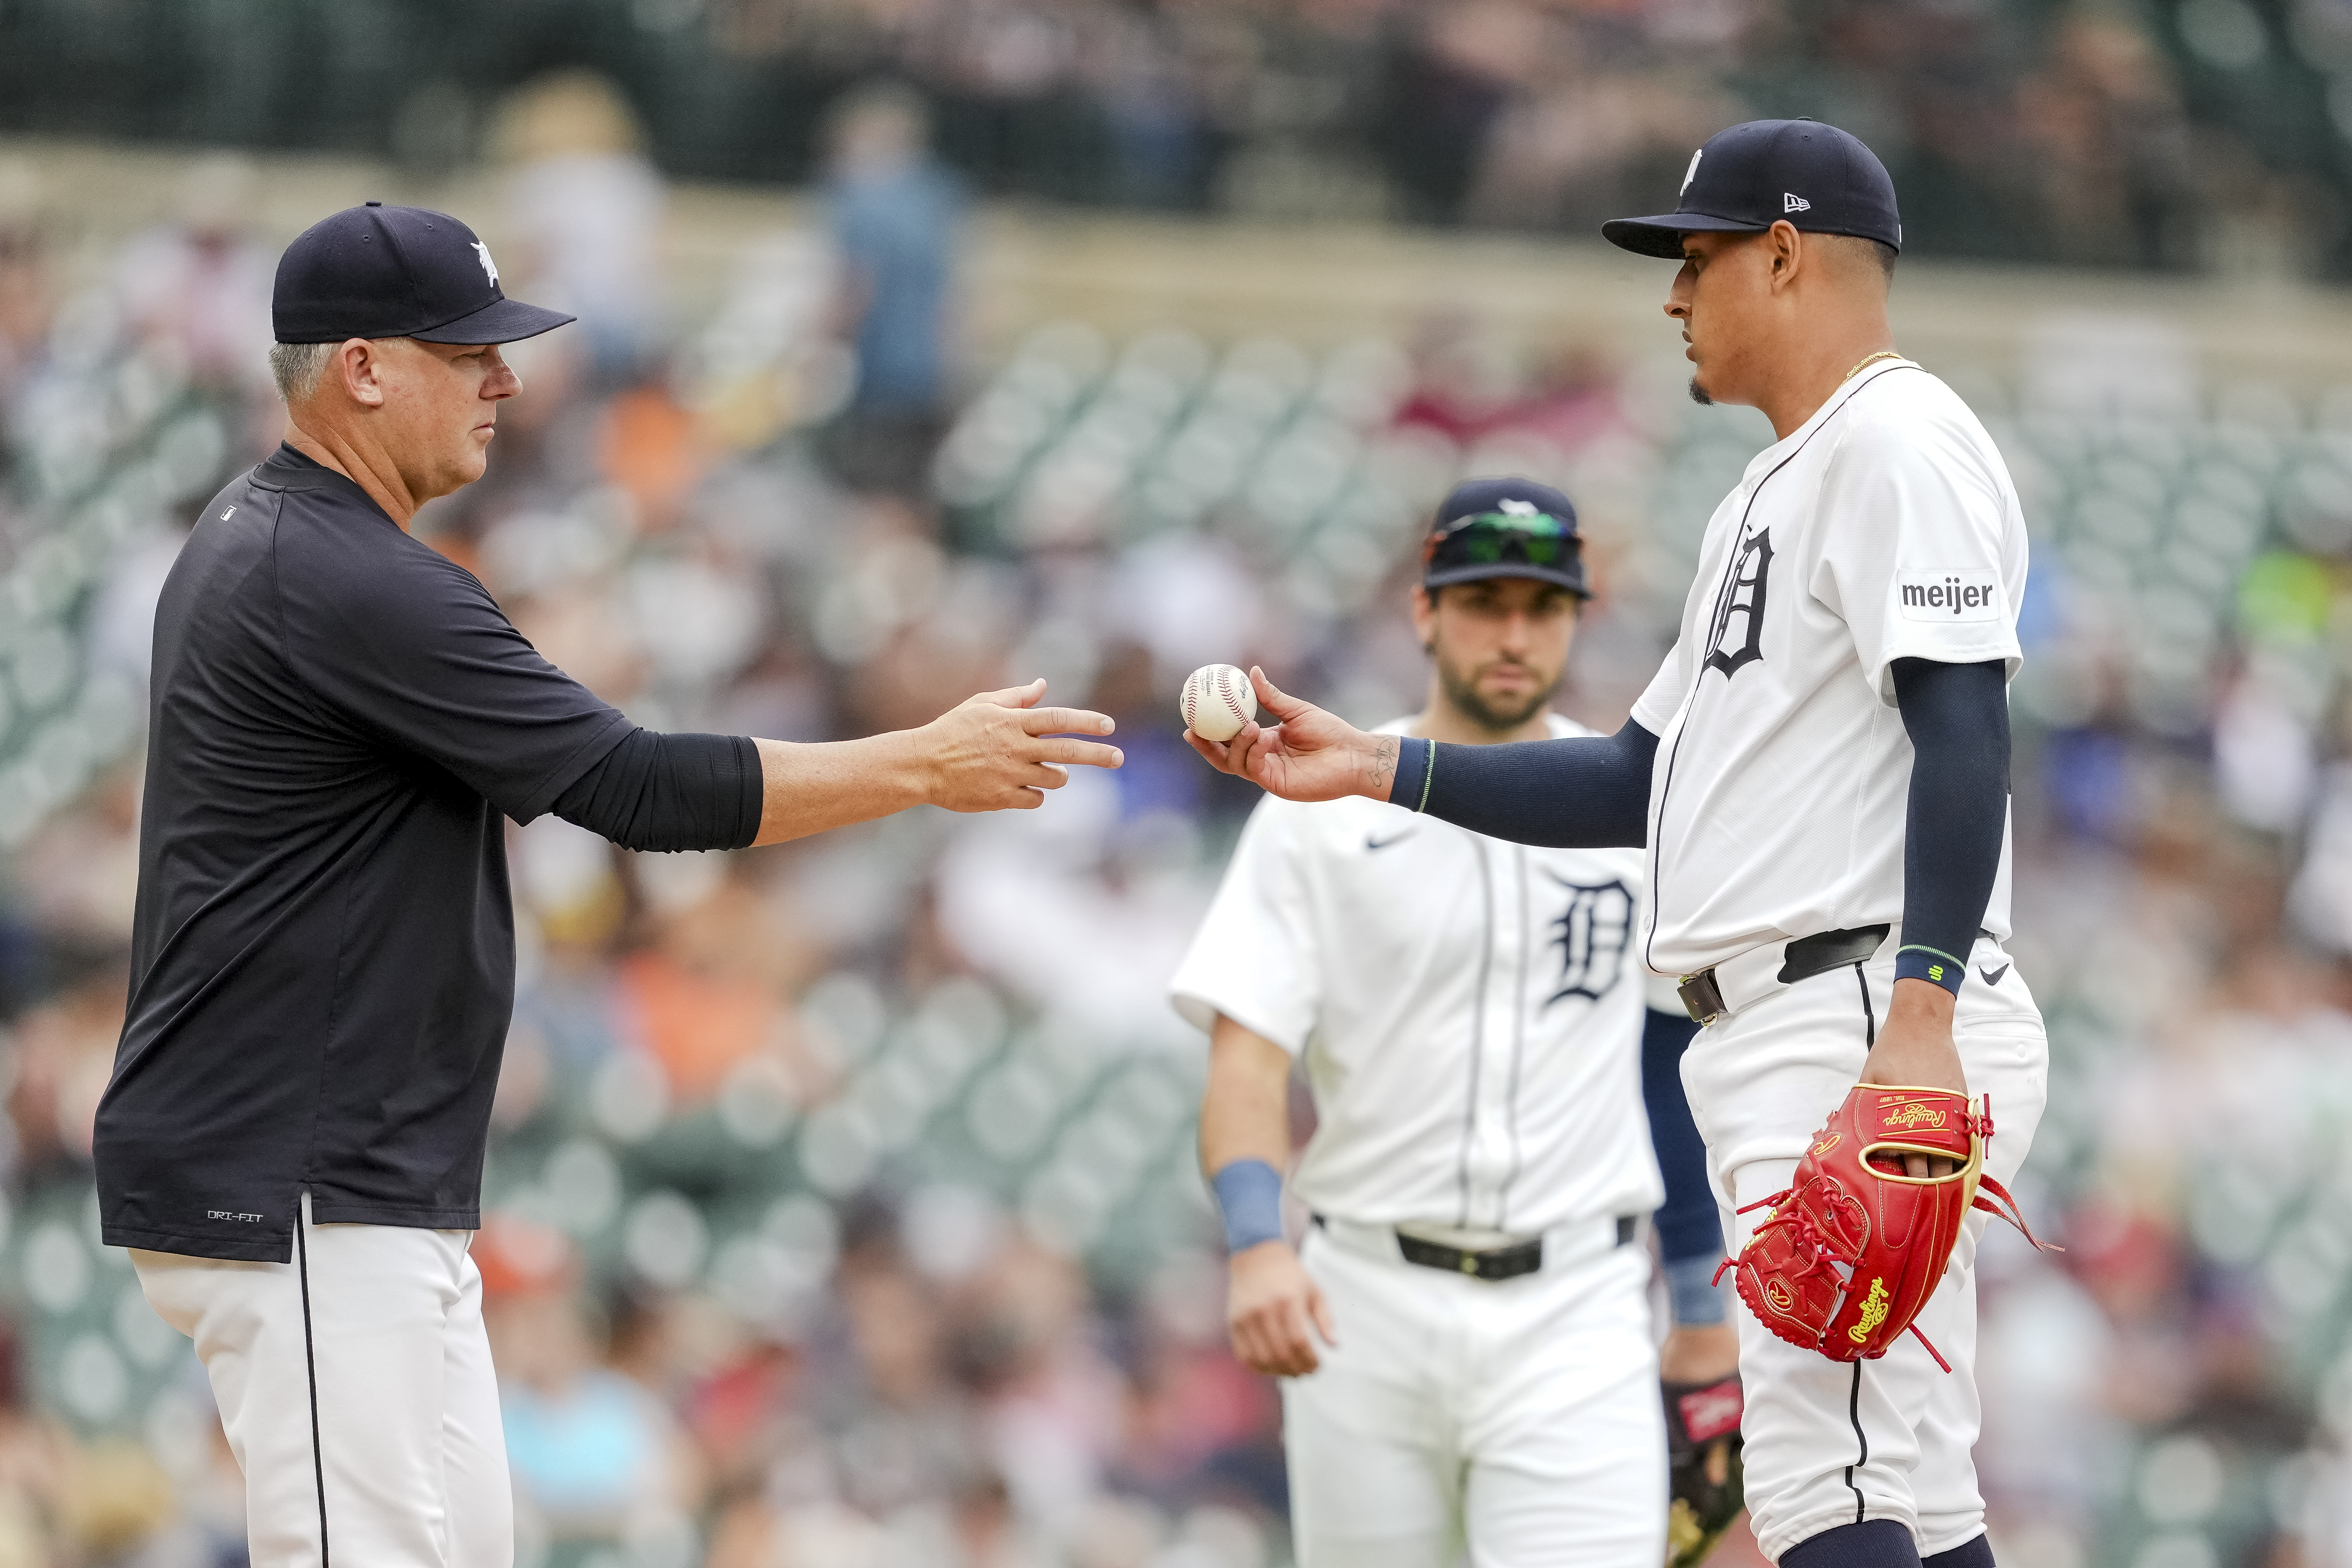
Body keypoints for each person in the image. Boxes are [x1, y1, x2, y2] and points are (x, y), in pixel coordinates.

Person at [95, 202, 1121, 1568]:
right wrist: (924, 763)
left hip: (336, 1172)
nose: (504, 379)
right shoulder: (340, 573)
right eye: (466, 351)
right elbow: (634, 789)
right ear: (361, 367)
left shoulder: (273, 538)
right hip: (296, 1175)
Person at [1186, 120, 2042, 1568]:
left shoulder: (1898, 442)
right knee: (1897, 1482)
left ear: (1782, 254)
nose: (1671, 295)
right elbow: (1643, 781)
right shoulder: (1774, 485)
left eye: (1696, 258)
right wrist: (1378, 765)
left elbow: (1965, 730)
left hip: (1851, 1007)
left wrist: (1917, 1014)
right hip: (1806, 1010)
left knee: (1825, 1488)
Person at [1170, 478, 1739, 1566]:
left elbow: (1671, 1064)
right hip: (1364, 1304)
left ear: (1577, 618)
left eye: (1543, 605)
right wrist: (1254, 1243)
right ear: (1426, 611)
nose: (1514, 633)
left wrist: (1696, 1307)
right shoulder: (1317, 807)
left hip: (1576, 1310)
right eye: (1485, 602)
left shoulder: (1634, 812)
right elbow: (1247, 1054)